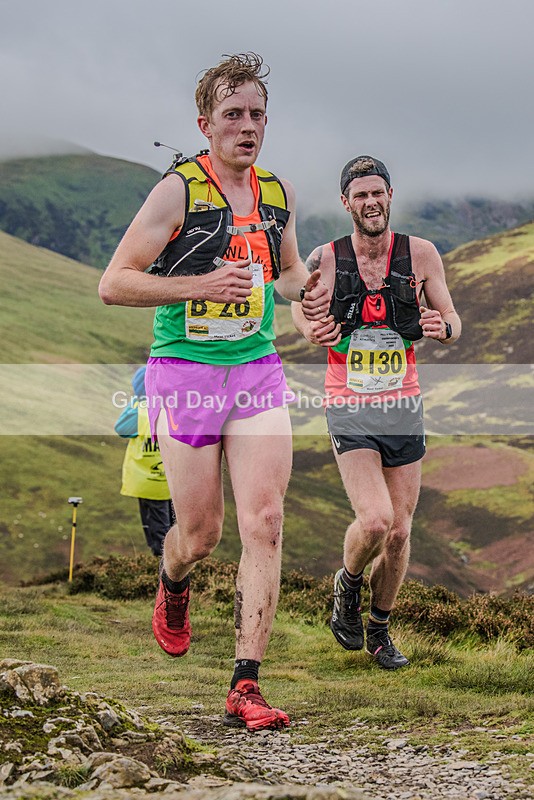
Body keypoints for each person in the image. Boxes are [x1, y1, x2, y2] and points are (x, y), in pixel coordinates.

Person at [98, 53, 328, 729]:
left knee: (266, 520)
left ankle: (245, 686)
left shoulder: (276, 193)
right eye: (233, 115)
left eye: (257, 114)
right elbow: (114, 283)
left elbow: (284, 274)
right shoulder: (178, 193)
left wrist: (305, 289)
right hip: (186, 372)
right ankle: (174, 584)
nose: (247, 126)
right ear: (206, 124)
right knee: (199, 535)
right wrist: (200, 284)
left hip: (256, 370)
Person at [292, 155, 461, 670]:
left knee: (402, 530)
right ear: (346, 202)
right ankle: (347, 585)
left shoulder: (422, 255)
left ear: (390, 196)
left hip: (402, 403)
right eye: (360, 195)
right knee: (375, 521)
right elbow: (299, 304)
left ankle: (380, 629)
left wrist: (443, 328)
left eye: (378, 193)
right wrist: (309, 329)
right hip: (348, 403)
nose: (371, 202)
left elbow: (452, 317)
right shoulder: (327, 257)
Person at [115, 366, 173, 557]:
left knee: (158, 532)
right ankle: (175, 567)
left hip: (147, 483)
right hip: (170, 481)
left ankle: (163, 572)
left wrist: (135, 402)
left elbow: (121, 428)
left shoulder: (139, 412)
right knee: (172, 527)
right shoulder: (172, 408)